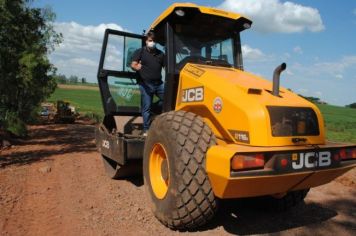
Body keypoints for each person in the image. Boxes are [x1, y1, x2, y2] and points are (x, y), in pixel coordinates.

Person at [131, 31, 164, 136]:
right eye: (150, 40)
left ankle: (153, 108)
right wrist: (137, 67)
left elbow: (167, 67)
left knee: (169, 99)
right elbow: (133, 64)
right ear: (146, 41)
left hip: (159, 84)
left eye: (154, 41)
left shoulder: (161, 54)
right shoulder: (140, 52)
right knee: (146, 107)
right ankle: (146, 130)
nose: (152, 42)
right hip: (145, 84)